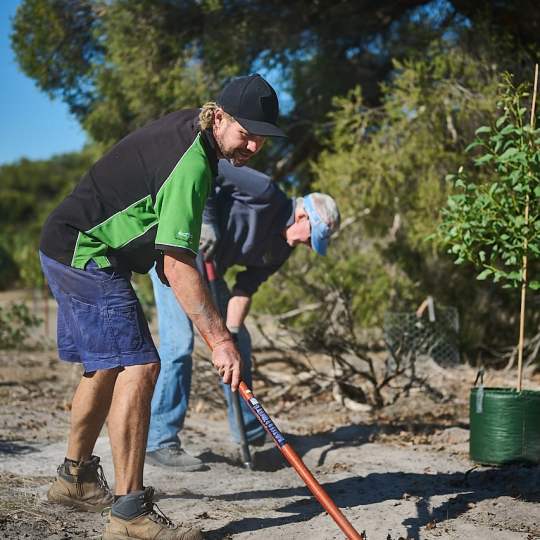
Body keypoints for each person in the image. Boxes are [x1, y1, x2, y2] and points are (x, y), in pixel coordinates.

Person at [39, 74, 286, 540]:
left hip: (67, 244)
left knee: (108, 365)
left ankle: (75, 480)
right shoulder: (192, 162)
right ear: (218, 116)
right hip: (87, 252)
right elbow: (177, 267)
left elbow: (157, 231)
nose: (252, 145)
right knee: (141, 364)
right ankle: (129, 513)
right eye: (245, 132)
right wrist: (220, 341)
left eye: (261, 137)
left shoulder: (191, 136)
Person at [146, 159, 340, 470]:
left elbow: (245, 289)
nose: (306, 245)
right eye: (309, 236)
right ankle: (160, 441)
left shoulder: (282, 249)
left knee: (239, 347)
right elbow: (205, 167)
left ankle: (249, 434)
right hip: (176, 254)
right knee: (179, 345)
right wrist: (207, 221)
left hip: (209, 271)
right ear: (303, 215)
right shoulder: (264, 192)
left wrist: (230, 335)